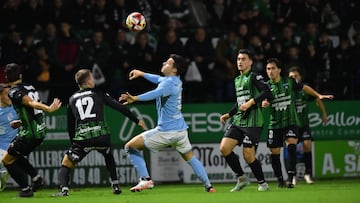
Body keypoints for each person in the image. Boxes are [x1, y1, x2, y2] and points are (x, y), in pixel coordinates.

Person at [120, 54, 216, 193]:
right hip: (181, 130)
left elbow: (155, 93)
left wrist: (135, 98)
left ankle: (146, 180)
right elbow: (158, 79)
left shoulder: (168, 84)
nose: (164, 62)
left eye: (168, 63)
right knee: (190, 157)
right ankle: (208, 186)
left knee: (130, 147)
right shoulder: (175, 80)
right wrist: (142, 73)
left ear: (175, 69)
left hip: (166, 131)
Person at [51, 69, 146, 197]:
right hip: (101, 136)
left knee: (66, 162)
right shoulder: (98, 93)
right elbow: (119, 106)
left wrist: (73, 143)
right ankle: (116, 185)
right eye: (92, 77)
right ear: (89, 80)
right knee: (108, 154)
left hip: (83, 138)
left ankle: (64, 190)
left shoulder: (72, 99)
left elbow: (70, 125)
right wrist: (137, 120)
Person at [262, 58, 333, 188]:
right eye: (268, 69)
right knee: (274, 152)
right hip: (275, 124)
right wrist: (264, 104)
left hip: (291, 122)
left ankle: (291, 178)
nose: (270, 71)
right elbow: (262, 101)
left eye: (273, 68)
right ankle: (280, 180)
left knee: (292, 146)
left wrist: (318, 95)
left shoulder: (289, 82)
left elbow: (304, 87)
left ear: (279, 70)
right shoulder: (266, 86)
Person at [1, 63, 62, 198]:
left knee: (7, 160)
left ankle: (26, 189)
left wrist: (49, 108)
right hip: (39, 130)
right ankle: (36, 178)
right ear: (20, 75)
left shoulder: (14, 91)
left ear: (6, 77)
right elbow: (32, 111)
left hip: (30, 133)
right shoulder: (30, 87)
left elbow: (31, 103)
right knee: (15, 154)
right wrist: (21, 121)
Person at [219, 49, 273, 192]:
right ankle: (241, 178)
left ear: (250, 62)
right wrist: (229, 114)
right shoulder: (237, 80)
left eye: (243, 59)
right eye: (238, 59)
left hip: (253, 122)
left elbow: (267, 91)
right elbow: (239, 102)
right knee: (224, 148)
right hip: (238, 121)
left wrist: (251, 103)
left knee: (248, 155)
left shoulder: (254, 77)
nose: (240, 62)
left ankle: (263, 183)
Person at [288, 66, 328, 184]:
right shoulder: (287, 89)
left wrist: (324, 113)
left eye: (295, 76)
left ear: (300, 77)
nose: (293, 78)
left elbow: (317, 98)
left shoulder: (305, 89)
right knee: (292, 149)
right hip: (292, 124)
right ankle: (293, 176)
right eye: (291, 76)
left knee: (307, 145)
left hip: (304, 124)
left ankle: (307, 174)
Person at [0, 83, 19, 191]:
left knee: (7, 171)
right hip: (1, 147)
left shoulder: (16, 107)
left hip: (14, 147)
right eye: (7, 94)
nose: (10, 97)